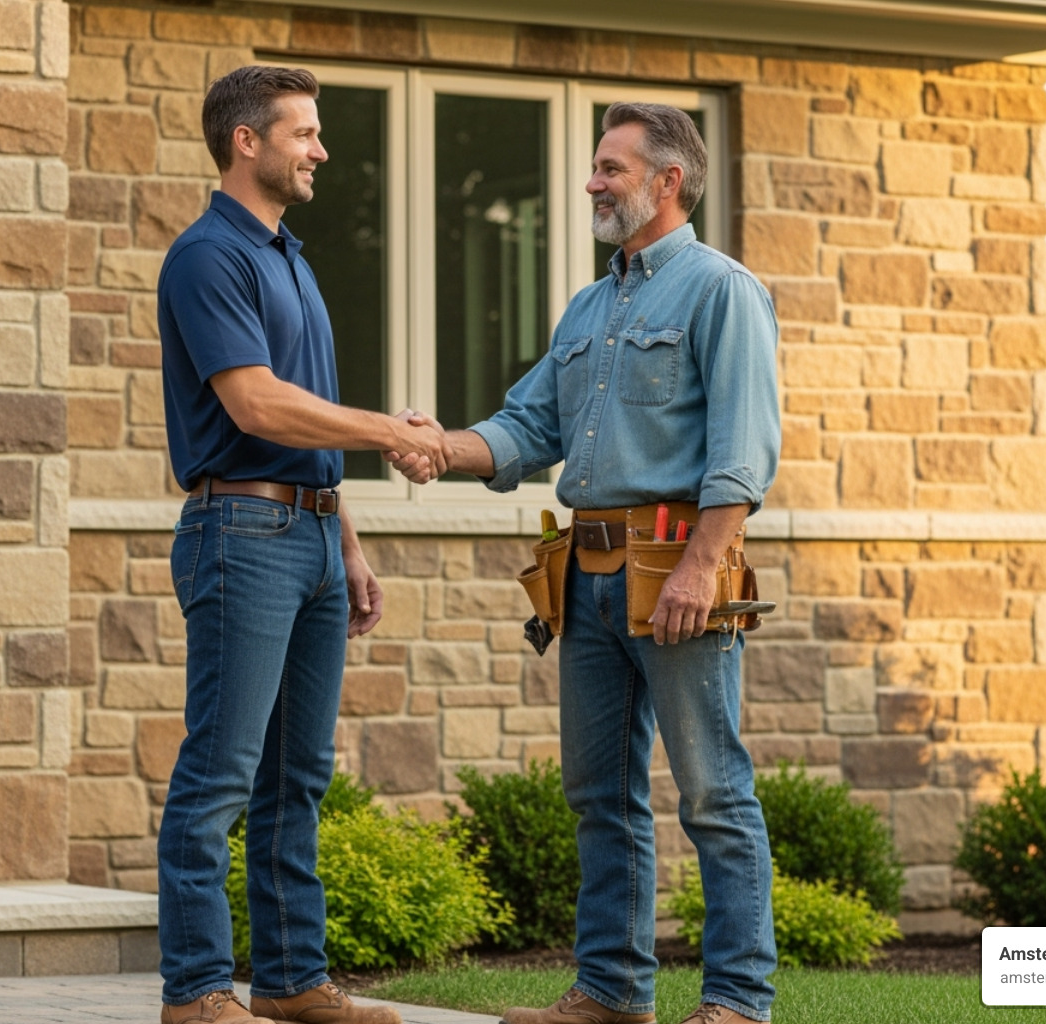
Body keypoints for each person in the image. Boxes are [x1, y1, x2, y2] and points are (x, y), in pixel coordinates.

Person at [393, 103, 781, 1024]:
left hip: (676, 572)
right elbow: (529, 427)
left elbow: (742, 450)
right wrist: (444, 447)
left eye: (610, 167)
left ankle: (737, 1002)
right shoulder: (587, 308)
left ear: (667, 181)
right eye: (596, 167)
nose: (592, 182)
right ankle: (611, 993)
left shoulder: (721, 291)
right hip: (589, 578)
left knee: (714, 794)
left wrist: (700, 566)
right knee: (598, 796)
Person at [155, 66, 446, 1024]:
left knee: (298, 779)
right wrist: (392, 431)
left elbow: (307, 428)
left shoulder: (291, 259)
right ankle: (197, 991)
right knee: (221, 773)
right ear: (248, 141)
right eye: (305, 133)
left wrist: (348, 542)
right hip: (239, 531)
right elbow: (255, 402)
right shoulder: (209, 258)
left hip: (311, 534)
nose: (321, 150)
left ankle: (287, 981)